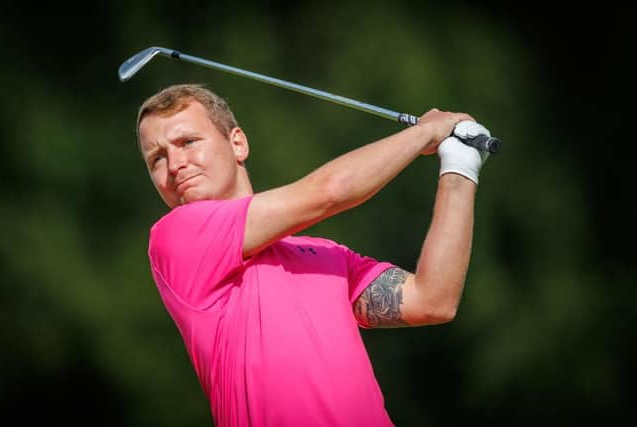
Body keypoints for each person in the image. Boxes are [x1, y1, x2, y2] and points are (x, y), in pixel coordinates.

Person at [135, 83, 490, 426]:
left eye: (188, 142)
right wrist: (427, 133)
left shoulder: (326, 255)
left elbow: (433, 300)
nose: (176, 164)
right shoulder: (176, 237)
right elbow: (329, 192)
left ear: (237, 143)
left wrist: (459, 167)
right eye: (158, 158)